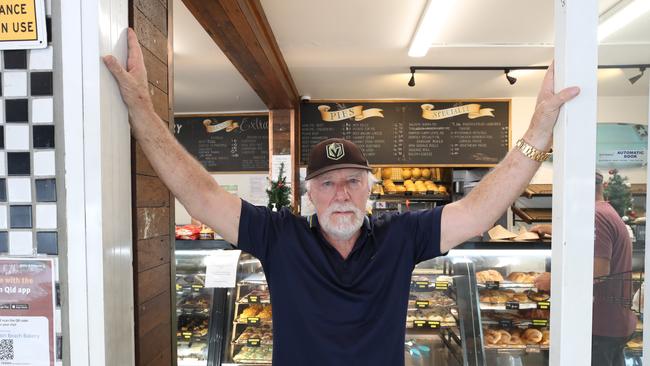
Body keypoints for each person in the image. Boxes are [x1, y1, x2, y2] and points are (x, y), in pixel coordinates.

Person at [103, 29, 579, 366]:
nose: (341, 194)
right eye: (328, 183)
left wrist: (538, 129)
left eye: (353, 180)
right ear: (309, 193)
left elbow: (479, 211)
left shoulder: (401, 237)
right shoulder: (279, 236)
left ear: (371, 187)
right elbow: (200, 194)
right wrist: (141, 109)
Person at [532, 171, 635, 366]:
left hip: (599, 325)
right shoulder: (605, 211)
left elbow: (599, 271)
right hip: (613, 322)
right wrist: (555, 229)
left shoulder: (595, 216)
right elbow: (592, 242)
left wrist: (554, 280)